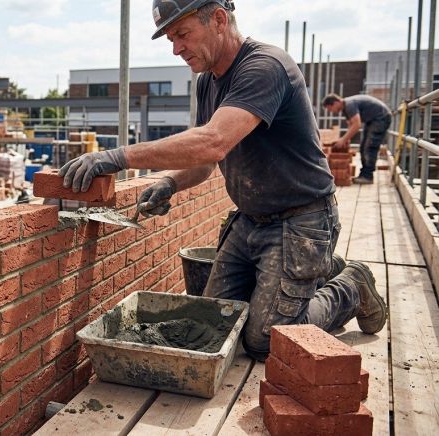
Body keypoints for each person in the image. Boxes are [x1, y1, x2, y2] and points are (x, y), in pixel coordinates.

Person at [58, 0, 387, 361]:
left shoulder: (265, 67)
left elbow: (213, 141)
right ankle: (319, 270)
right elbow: (205, 160)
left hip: (301, 221)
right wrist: (170, 183)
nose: (176, 48)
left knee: (266, 340)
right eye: (170, 38)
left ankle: (351, 284)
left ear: (218, 19)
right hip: (250, 221)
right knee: (214, 322)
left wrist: (116, 157)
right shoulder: (207, 83)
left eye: (182, 34)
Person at [322, 94, 392, 184]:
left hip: (381, 117)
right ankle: (364, 174)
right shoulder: (345, 108)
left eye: (330, 109)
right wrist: (346, 140)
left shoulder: (349, 105)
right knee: (363, 146)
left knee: (369, 146)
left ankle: (367, 176)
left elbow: (357, 124)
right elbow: (351, 125)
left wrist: (343, 140)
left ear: (335, 103)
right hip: (373, 120)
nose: (331, 112)